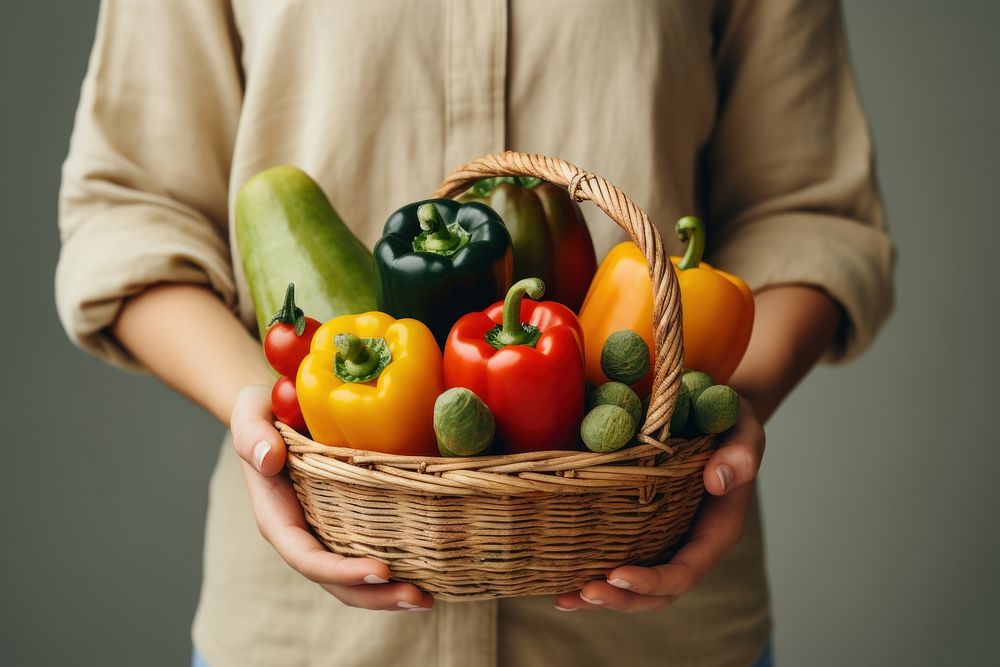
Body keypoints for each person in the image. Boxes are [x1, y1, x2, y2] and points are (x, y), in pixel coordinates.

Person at [56, 1, 894, 665]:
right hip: (306, 637)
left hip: (655, 618)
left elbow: (808, 210)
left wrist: (722, 421)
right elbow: (128, 210)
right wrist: (267, 418)